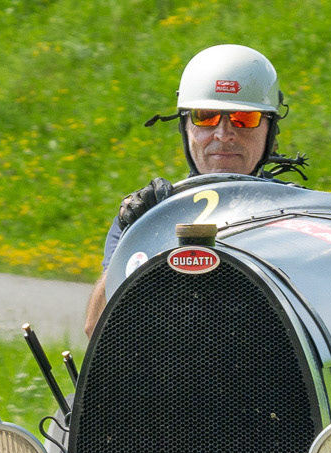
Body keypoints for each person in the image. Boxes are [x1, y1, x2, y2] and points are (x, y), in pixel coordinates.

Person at [83, 44, 303, 334]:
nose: (224, 135)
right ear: (185, 127)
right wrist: (133, 233)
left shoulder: (299, 214)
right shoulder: (148, 217)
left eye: (244, 119)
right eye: (206, 116)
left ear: (270, 131)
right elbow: (97, 327)